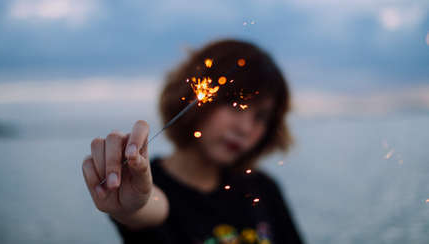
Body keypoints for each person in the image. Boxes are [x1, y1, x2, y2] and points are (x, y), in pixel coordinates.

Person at [82, 39, 304, 243]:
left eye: (261, 117)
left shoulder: (263, 188)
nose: (245, 128)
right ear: (192, 94)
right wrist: (133, 207)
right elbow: (150, 204)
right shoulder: (145, 184)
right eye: (234, 102)